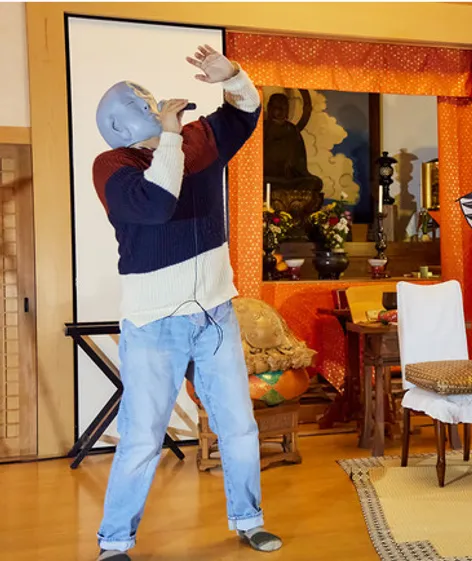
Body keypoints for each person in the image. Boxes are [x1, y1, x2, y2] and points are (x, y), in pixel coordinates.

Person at [92, 45, 281, 560]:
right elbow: (156, 205)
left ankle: (249, 520)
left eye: (147, 96)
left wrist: (234, 76)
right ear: (118, 124)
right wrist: (171, 138)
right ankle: (115, 542)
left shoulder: (194, 142)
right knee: (142, 436)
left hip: (215, 314)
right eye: (137, 102)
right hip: (155, 324)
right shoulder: (113, 166)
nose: (148, 102)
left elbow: (244, 113)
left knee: (238, 426)